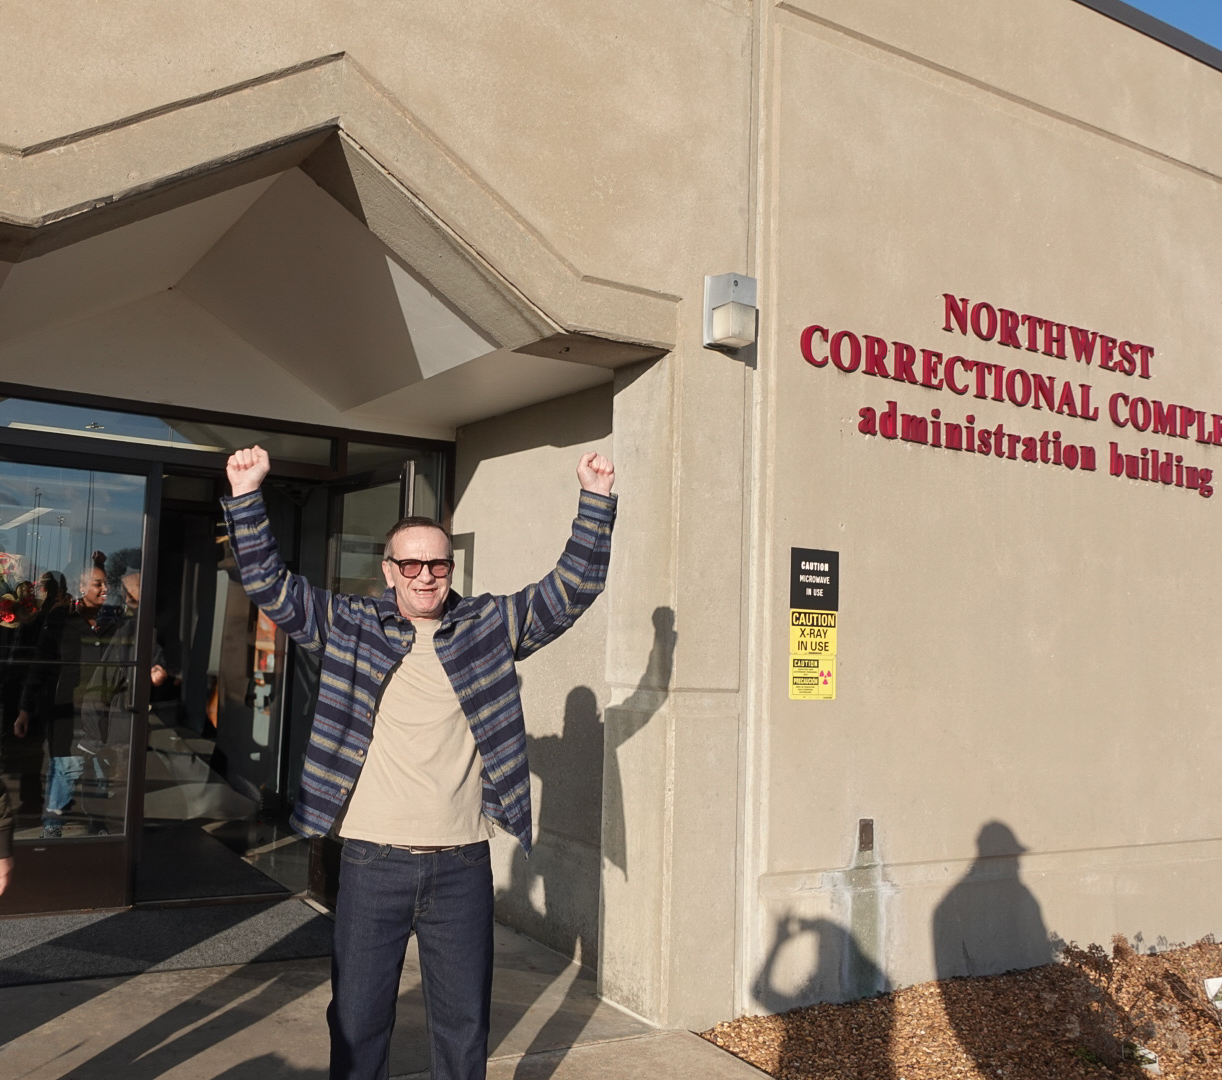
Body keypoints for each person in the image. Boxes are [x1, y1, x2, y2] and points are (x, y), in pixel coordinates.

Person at [223, 444, 617, 1080]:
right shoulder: (349, 625)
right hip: (372, 862)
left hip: (461, 864)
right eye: (411, 564)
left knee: (463, 1031)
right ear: (389, 570)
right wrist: (246, 498)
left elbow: (572, 589)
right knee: (357, 1024)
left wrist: (594, 503)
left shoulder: (488, 625)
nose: (425, 576)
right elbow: (270, 584)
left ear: (451, 566)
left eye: (437, 563)